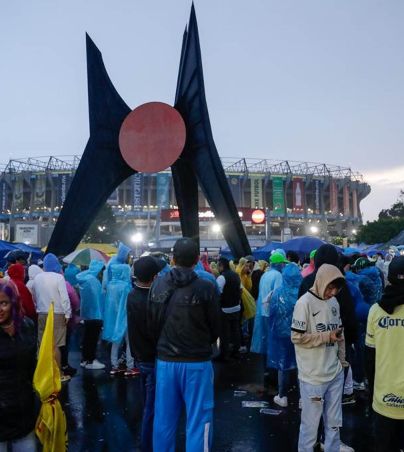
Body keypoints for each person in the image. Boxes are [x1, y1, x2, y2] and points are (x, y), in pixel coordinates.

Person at [148, 238, 221, 452]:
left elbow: (151, 322)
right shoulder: (206, 286)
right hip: (197, 361)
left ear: (173, 258)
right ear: (197, 259)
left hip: (166, 361)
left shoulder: (158, 285)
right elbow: (216, 327)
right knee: (200, 419)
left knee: (164, 420)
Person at [292, 264, 347, 452]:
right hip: (312, 377)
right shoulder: (304, 303)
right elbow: (296, 337)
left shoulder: (334, 303)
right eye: (330, 287)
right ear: (321, 281)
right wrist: (326, 336)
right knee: (310, 427)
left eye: (336, 289)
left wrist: (342, 360)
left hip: (335, 374)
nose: (332, 292)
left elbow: (340, 334)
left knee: (334, 424)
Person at [365, 256, 404, 452]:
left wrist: (371, 391)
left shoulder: (376, 311)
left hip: (383, 398)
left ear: (388, 279)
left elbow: (369, 358)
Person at [127, 256, 165, 452]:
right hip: (153, 357)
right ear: (154, 276)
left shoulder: (132, 295)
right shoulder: (152, 298)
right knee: (152, 409)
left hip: (140, 356)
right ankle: (147, 446)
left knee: (146, 404)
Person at [0, 279, 37, 451]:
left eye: (4, 303)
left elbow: (33, 368)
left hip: (23, 412)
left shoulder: (27, 326)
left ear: (13, 303)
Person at [32, 253, 71, 382]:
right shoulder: (59, 277)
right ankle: (58, 374)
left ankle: (42, 374)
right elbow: (64, 298)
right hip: (57, 313)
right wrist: (67, 314)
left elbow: (34, 296)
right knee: (56, 345)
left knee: (42, 344)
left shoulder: (37, 278)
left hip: (42, 313)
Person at [268, 263, 302, 407]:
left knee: (283, 364)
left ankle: (282, 396)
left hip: (282, 334)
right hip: (300, 332)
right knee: (302, 365)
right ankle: (303, 398)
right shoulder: (304, 292)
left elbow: (272, 314)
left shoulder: (277, 292)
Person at [103, 263, 137, 376]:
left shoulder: (110, 285)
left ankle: (114, 366)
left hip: (113, 319)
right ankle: (130, 367)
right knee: (129, 342)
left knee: (115, 342)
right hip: (125, 318)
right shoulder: (126, 286)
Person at [250, 252, 287, 355]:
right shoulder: (278, 275)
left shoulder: (265, 274)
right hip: (272, 313)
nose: (284, 266)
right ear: (279, 264)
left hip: (263, 311)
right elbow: (277, 295)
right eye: (283, 263)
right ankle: (272, 367)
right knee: (273, 341)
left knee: (265, 339)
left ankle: (265, 367)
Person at [76, 260, 106, 370]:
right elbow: (98, 298)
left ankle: (85, 359)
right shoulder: (94, 281)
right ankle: (91, 360)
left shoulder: (85, 279)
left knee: (87, 337)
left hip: (87, 314)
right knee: (92, 339)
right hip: (95, 314)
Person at [216, 257, 242, 361]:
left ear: (221, 266)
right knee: (235, 331)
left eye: (218, 265)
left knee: (224, 333)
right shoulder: (236, 275)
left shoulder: (222, 277)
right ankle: (236, 352)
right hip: (236, 307)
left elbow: (218, 293)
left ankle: (224, 354)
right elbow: (240, 290)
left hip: (225, 309)